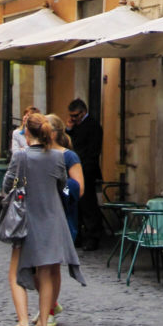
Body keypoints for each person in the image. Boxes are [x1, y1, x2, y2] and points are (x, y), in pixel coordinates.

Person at [1, 111, 86, 326]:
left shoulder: (21, 156)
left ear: (27, 132)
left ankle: (22, 322)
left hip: (26, 219)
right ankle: (41, 324)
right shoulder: (58, 158)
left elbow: (7, 184)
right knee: (47, 272)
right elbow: (61, 185)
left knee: (16, 272)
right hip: (52, 217)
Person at [66, 98, 103, 251]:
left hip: (86, 170)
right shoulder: (75, 126)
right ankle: (77, 236)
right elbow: (69, 143)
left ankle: (93, 237)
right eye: (71, 116)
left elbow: (93, 152)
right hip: (74, 170)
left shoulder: (93, 126)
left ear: (83, 112)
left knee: (88, 205)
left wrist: (83, 169)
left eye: (75, 115)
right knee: (75, 204)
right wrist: (69, 129)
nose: (72, 119)